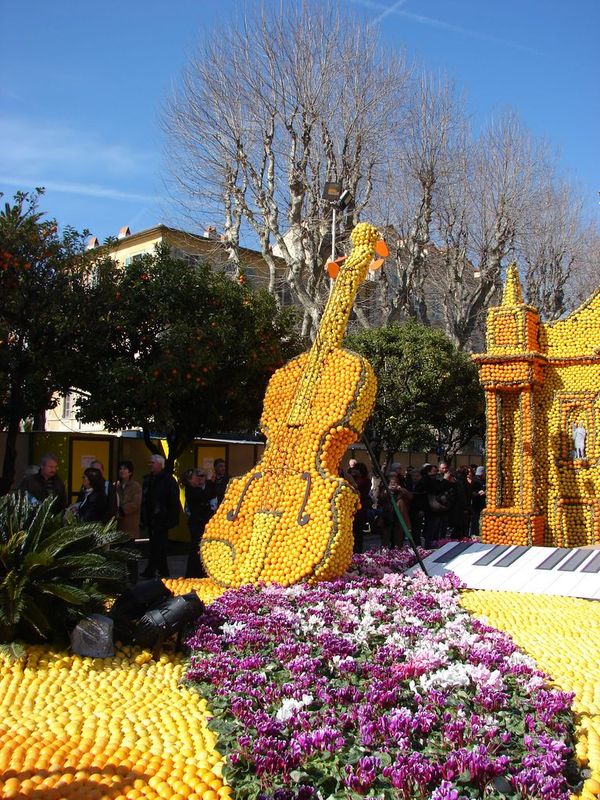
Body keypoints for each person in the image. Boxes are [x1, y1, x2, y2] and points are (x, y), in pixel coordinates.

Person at [141, 455, 180, 578]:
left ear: (160, 464)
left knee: (158, 545)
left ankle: (152, 570)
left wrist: (170, 519)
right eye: (149, 462)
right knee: (156, 546)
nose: (150, 465)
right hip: (152, 517)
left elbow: (173, 501)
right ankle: (161, 570)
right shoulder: (148, 479)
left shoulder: (168, 480)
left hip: (162, 518)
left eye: (152, 462)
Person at [181, 468, 216, 578]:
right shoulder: (191, 490)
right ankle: (193, 574)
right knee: (196, 548)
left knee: (201, 548)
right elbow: (205, 495)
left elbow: (211, 493)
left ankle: (199, 572)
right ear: (190, 480)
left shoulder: (197, 488)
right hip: (197, 523)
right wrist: (209, 481)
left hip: (200, 522)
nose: (199, 479)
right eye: (196, 477)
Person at [114, 460, 142, 539]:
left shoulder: (135, 486)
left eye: (125, 469)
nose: (122, 471)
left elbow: (136, 504)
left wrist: (121, 510)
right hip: (117, 524)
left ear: (130, 472)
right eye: (120, 469)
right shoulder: (116, 485)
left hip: (130, 523)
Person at [469, 465, 486, 537]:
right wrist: (478, 493)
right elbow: (472, 493)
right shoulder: (475, 480)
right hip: (476, 504)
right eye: (478, 475)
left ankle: (479, 533)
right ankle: (474, 533)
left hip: (482, 503)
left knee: (480, 520)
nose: (479, 476)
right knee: (475, 520)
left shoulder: (484, 480)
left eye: (480, 475)